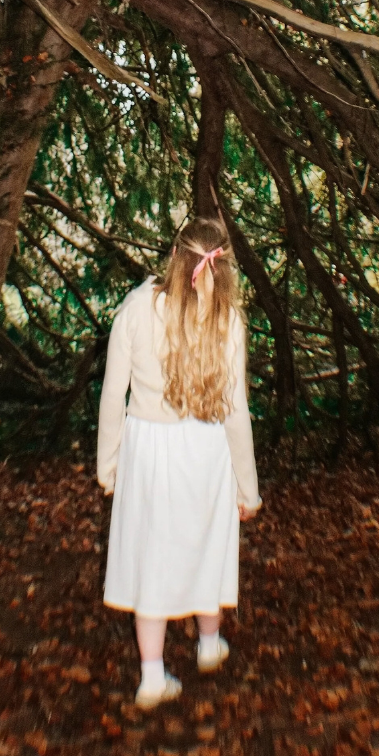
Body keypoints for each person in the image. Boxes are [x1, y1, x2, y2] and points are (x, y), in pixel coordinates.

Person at [96, 217, 262, 709]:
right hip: (206, 450)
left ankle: (152, 675)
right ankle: (209, 645)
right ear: (224, 267)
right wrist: (247, 488)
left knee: (152, 556)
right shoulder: (229, 320)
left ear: (174, 255)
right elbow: (236, 414)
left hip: (148, 450)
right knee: (207, 545)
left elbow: (112, 395)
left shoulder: (136, 308)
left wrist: (109, 466)